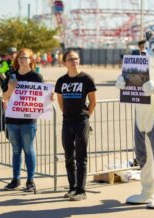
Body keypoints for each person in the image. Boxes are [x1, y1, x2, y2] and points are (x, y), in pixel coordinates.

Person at [55, 50, 96, 201]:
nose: (74, 61)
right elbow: (60, 100)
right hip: (67, 122)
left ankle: (81, 190)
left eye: (76, 58)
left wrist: (85, 116)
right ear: (64, 62)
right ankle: (72, 187)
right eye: (71, 59)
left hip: (81, 122)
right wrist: (66, 113)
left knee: (81, 157)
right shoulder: (61, 81)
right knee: (68, 157)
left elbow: (93, 101)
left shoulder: (86, 79)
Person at [2, 48, 43, 193]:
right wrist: (10, 90)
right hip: (12, 119)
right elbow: (5, 97)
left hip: (28, 120)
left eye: (25, 57)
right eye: (20, 57)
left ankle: (30, 181)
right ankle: (16, 179)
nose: (21, 59)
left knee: (28, 149)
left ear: (31, 60)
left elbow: (41, 98)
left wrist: (48, 98)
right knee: (16, 150)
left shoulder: (36, 77)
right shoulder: (11, 75)